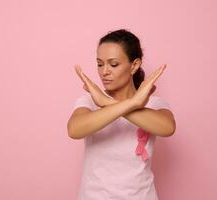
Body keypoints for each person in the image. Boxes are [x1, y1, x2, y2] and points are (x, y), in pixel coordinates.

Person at [67, 29, 176, 200]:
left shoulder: (155, 104)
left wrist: (106, 102)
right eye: (100, 63)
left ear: (134, 65)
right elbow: (74, 130)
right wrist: (133, 103)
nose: (104, 72)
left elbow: (167, 128)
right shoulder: (89, 101)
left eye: (114, 64)